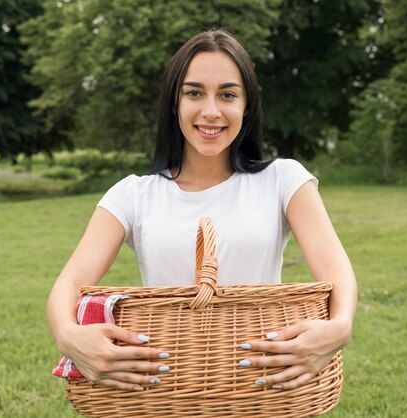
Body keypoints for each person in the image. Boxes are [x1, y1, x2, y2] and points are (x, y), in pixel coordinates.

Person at [47, 29, 357, 392]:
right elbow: (67, 286)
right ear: (174, 103)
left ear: (247, 106)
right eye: (194, 93)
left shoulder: (284, 180)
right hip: (169, 390)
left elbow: (337, 272)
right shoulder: (132, 194)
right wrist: (68, 337)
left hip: (261, 389)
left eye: (227, 94)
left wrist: (341, 326)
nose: (211, 111)